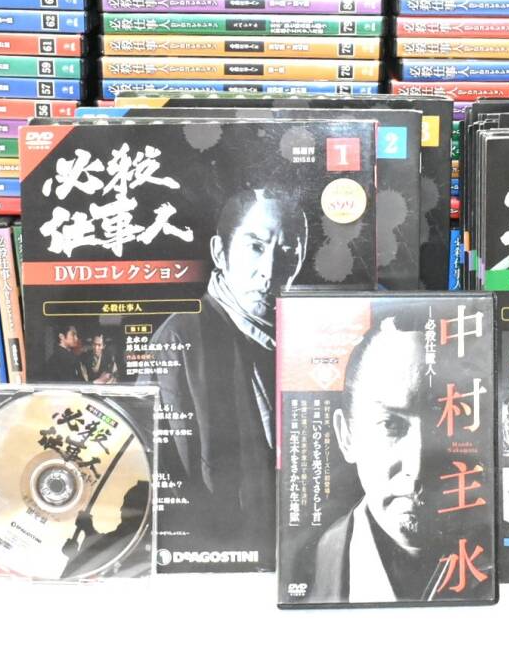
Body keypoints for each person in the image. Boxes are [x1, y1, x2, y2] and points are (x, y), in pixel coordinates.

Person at [151, 187, 308, 559]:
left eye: (288, 252)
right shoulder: (180, 338)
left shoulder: (304, 337)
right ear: (219, 253)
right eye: (255, 246)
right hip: (216, 556)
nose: (269, 270)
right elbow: (164, 482)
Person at [300, 316, 446, 603]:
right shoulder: (304, 567)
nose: (416, 467)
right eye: (390, 425)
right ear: (346, 436)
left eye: (441, 421)